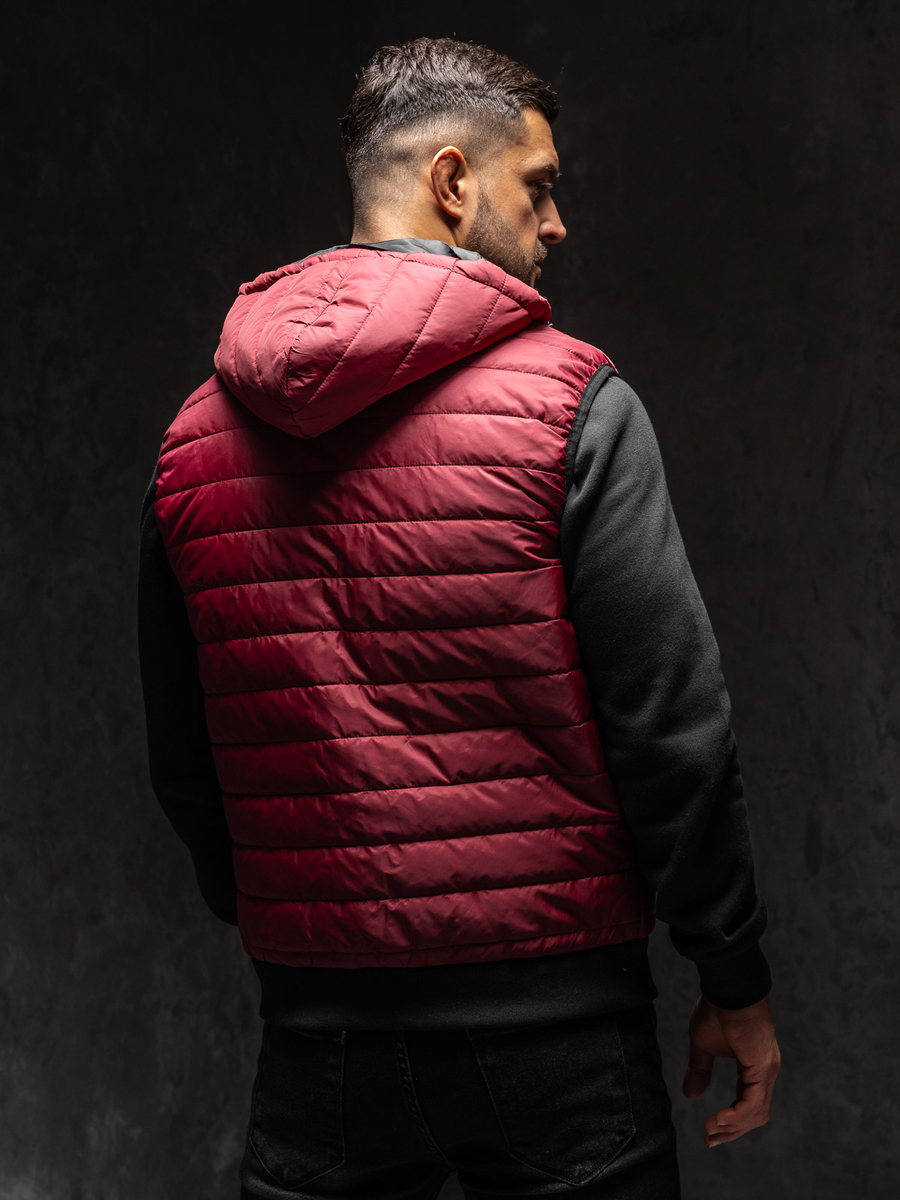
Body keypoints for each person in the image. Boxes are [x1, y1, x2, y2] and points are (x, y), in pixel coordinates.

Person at [138, 36, 780, 1200]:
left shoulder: (192, 443)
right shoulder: (575, 404)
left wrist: (312, 927)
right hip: (562, 1033)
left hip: (320, 1038)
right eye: (538, 186)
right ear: (451, 181)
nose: (557, 224)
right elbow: (674, 730)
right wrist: (729, 971)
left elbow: (185, 763)